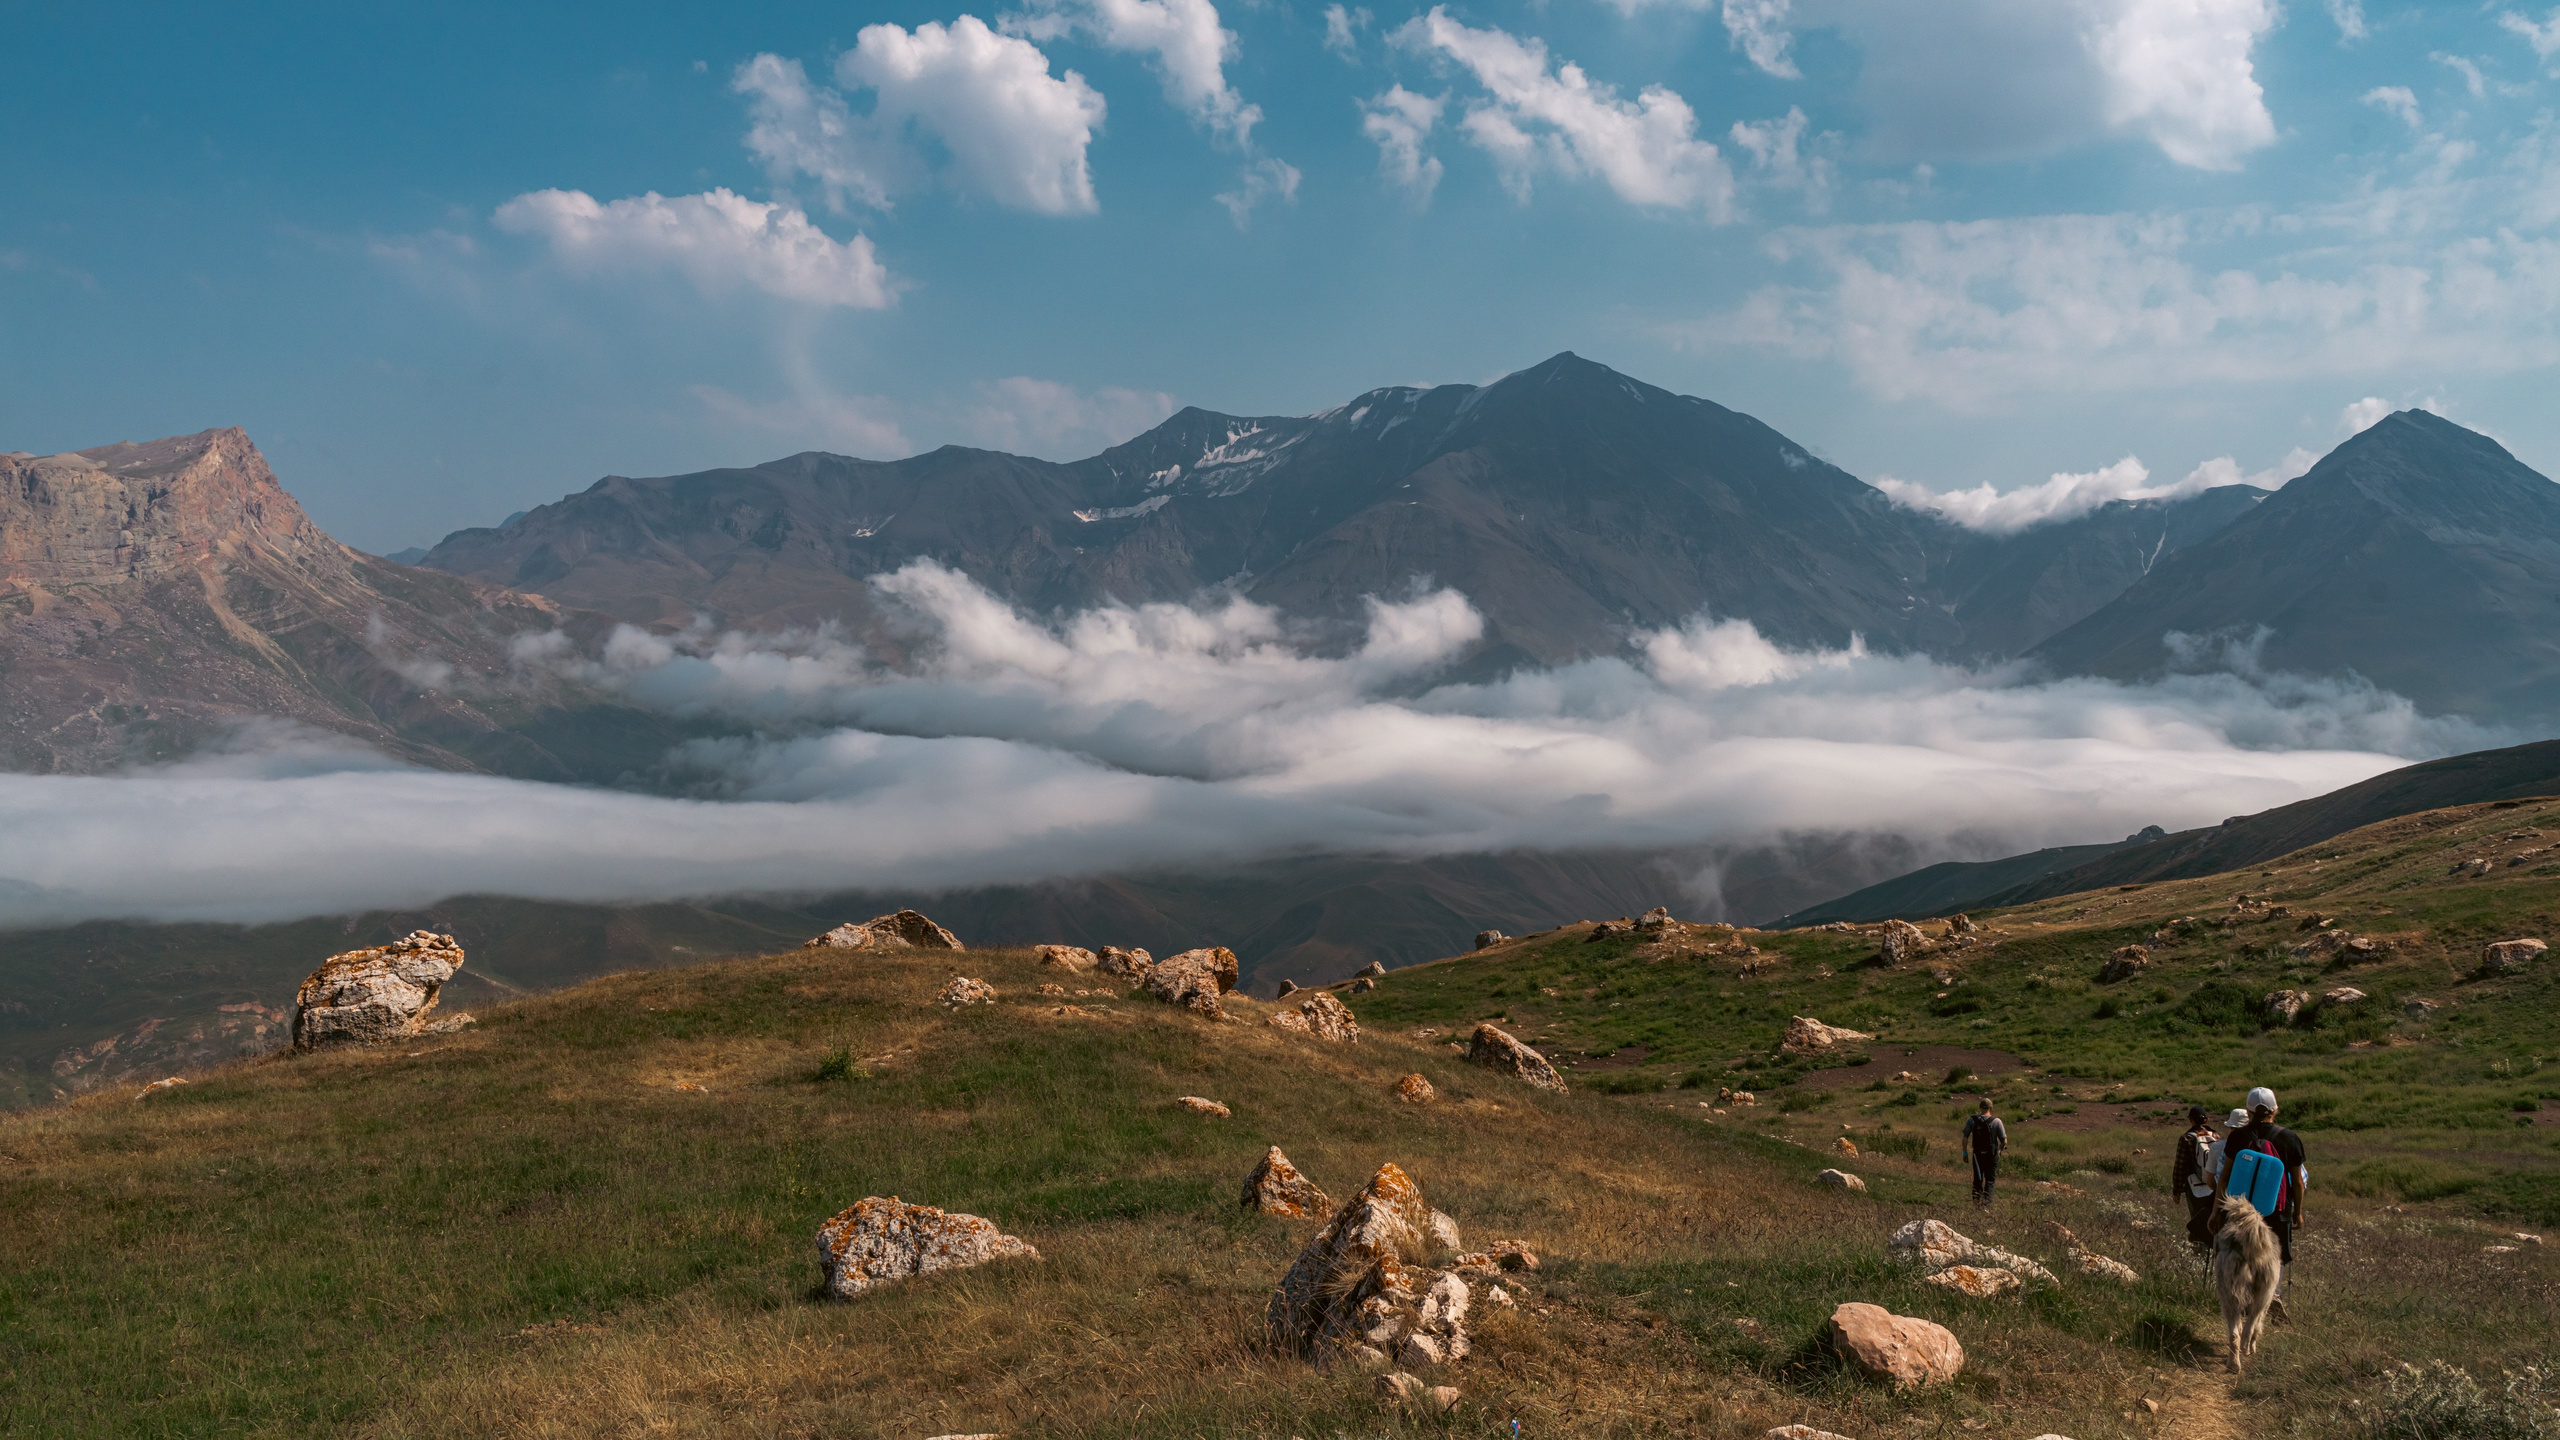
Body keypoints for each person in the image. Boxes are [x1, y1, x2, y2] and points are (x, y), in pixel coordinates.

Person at [2215, 1086, 2307, 1316]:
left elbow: (2225, 1177)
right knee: (2276, 1256)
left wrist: (2216, 1211)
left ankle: (2242, 1297)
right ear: (2275, 1110)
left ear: (2249, 1111)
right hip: (2278, 1209)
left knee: (2241, 1253)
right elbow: (2297, 1182)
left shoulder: (2238, 1137)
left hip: (2241, 1211)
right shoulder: (2289, 1138)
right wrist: (2297, 1212)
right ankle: (2272, 1294)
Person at [2174, 1105, 2219, 1249]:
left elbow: (2180, 1166)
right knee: (2213, 1218)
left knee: (2197, 1219)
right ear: (2207, 1119)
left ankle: (2199, 1251)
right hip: (2215, 1186)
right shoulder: (2217, 1137)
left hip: (2194, 1187)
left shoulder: (2186, 1138)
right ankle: (2214, 1249)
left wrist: (2176, 1190)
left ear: (2190, 1120)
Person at [1961, 1097, 2007, 1205]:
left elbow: (1965, 1136)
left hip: (1977, 1154)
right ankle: (1986, 1205)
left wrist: (1965, 1152)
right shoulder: (1997, 1121)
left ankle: (1976, 1203)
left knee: (1978, 1179)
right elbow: (2004, 1140)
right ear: (1991, 1108)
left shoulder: (1972, 1120)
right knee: (1990, 1180)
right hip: (1992, 1154)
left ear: (1980, 1107)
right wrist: (1999, 1150)